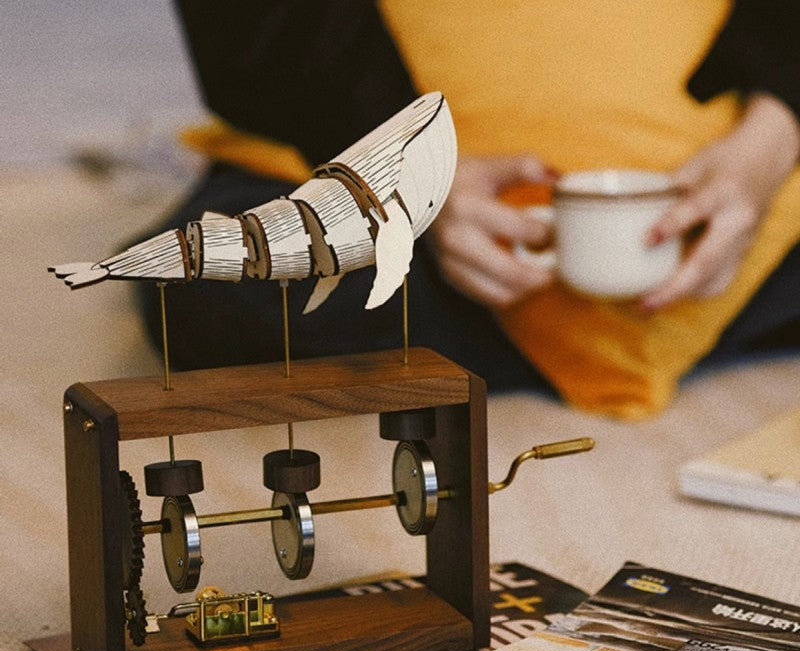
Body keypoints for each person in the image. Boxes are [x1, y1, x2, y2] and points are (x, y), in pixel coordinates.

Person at [140, 0, 800, 417]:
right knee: (220, 280)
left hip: (766, 157)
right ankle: (630, 308)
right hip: (354, 150)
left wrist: (772, 137)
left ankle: (553, 316)